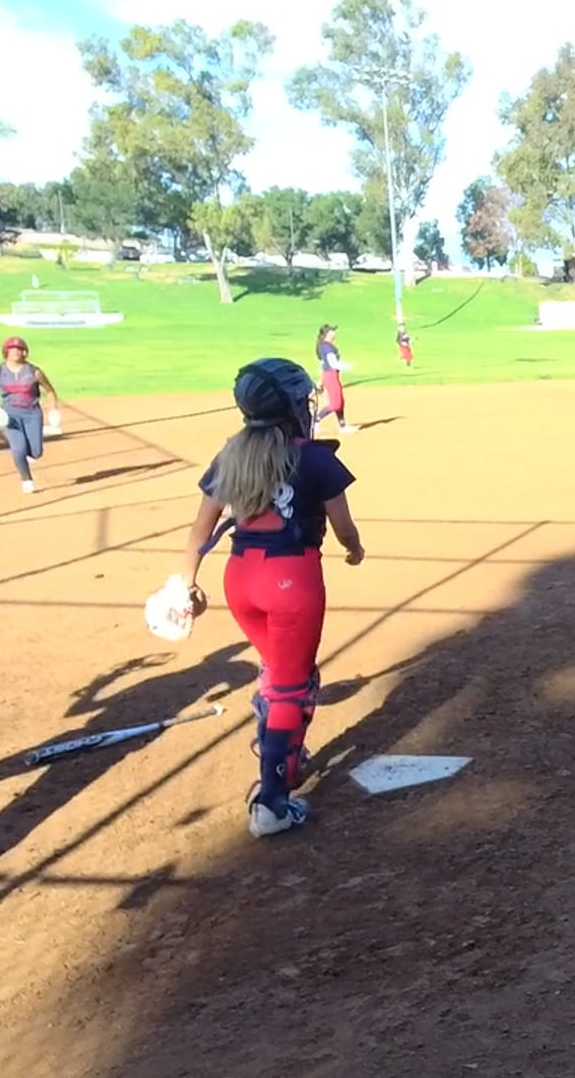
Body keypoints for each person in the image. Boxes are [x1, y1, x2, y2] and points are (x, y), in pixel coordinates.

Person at [178, 358, 365, 838]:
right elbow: (343, 527)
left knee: (279, 671)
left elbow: (200, 532)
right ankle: (272, 804)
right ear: (291, 407)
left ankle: (286, 754)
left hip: (240, 578)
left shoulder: (232, 454)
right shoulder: (315, 458)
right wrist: (354, 549)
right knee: (290, 685)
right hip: (291, 580)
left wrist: (186, 582)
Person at [0, 336, 62, 494]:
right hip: (11, 415)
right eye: (12, 349)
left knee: (36, 452)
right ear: (6, 352)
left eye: (19, 349)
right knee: (18, 449)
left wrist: (53, 409)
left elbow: (50, 391)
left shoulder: (34, 372)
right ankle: (26, 479)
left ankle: (29, 452)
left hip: (32, 413)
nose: (15, 352)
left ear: (24, 352)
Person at [312, 324, 356, 435]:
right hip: (330, 376)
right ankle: (315, 420)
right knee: (335, 404)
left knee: (340, 402)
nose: (335, 333)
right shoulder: (327, 347)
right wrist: (347, 366)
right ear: (328, 334)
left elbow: (323, 364)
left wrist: (321, 380)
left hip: (330, 375)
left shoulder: (324, 346)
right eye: (332, 331)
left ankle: (343, 426)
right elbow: (333, 364)